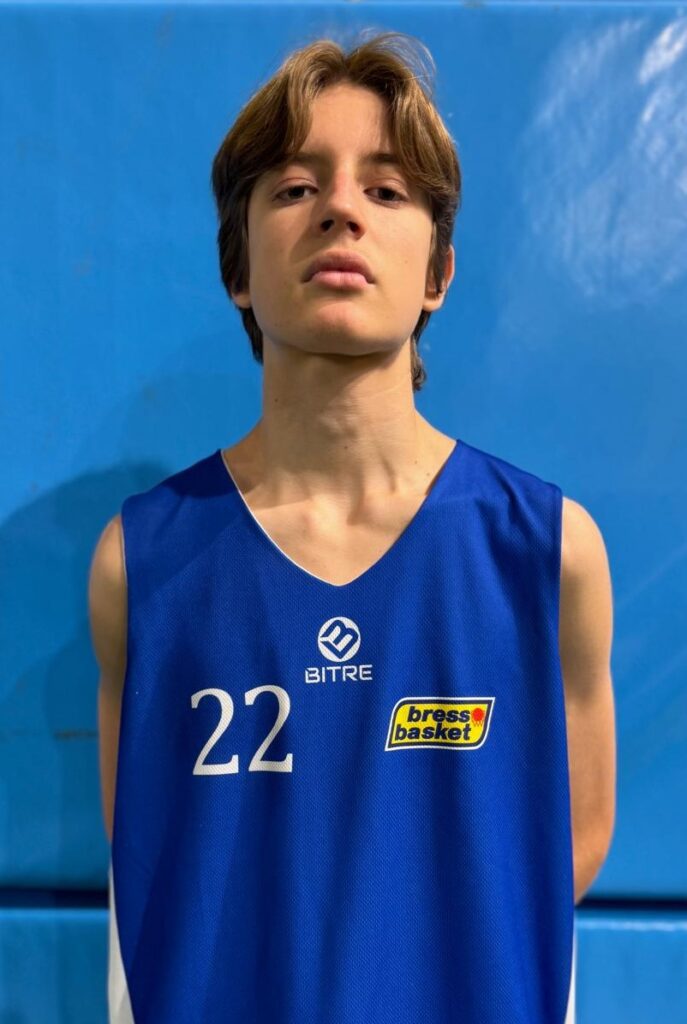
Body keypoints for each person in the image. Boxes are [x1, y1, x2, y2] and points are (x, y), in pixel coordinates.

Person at [88, 30, 615, 1024]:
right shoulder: (141, 563)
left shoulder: (548, 553)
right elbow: (151, 863)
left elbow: (563, 856)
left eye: (386, 189)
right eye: (296, 187)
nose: (340, 209)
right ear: (239, 268)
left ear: (438, 272)